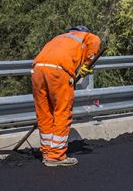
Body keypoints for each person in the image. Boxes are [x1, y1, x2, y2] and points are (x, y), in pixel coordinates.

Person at [31, 26, 102, 167]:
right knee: (62, 111)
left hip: (37, 69)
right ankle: (56, 156)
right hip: (58, 71)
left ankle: (46, 152)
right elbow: (95, 40)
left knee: (44, 113)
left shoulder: (59, 38)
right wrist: (87, 63)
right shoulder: (86, 36)